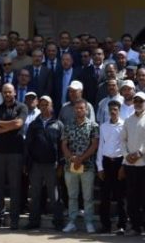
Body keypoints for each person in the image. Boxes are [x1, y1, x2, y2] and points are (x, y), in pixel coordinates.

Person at [0, 83, 28, 229]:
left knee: (15, 188)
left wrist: (0, 124)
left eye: (10, 92)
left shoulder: (22, 107)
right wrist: (8, 127)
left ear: (15, 92)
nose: (7, 94)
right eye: (5, 92)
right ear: (2, 93)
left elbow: (18, 123)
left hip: (15, 153)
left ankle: (14, 220)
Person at [121, 89, 145, 236]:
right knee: (132, 198)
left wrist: (140, 152)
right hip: (130, 165)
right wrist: (126, 155)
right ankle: (135, 227)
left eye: (140, 101)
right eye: (136, 101)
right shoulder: (128, 120)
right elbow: (122, 140)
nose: (138, 103)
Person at [25, 95, 65, 231]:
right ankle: (33, 221)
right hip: (36, 165)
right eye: (41, 104)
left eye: (46, 104)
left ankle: (58, 222)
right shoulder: (34, 124)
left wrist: (61, 164)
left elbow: (62, 147)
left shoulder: (58, 124)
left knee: (54, 195)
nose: (44, 107)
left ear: (51, 106)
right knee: (35, 194)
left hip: (52, 165)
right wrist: (27, 163)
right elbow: (28, 145)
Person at [61, 99, 100, 234]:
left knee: (88, 197)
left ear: (86, 110)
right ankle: (72, 222)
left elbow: (94, 145)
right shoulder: (68, 125)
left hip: (87, 166)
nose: (79, 110)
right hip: (70, 166)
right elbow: (64, 144)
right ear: (74, 110)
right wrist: (71, 158)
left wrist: (81, 159)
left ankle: (89, 222)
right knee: (72, 196)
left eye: (82, 108)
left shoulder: (93, 126)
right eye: (77, 108)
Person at [96, 100, 127, 234]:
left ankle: (122, 225)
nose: (113, 112)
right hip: (106, 162)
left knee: (120, 197)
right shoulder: (103, 126)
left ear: (119, 111)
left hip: (119, 162)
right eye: (111, 110)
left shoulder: (124, 125)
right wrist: (100, 167)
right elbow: (100, 146)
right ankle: (105, 225)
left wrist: (123, 166)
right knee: (105, 197)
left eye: (115, 109)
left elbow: (126, 146)